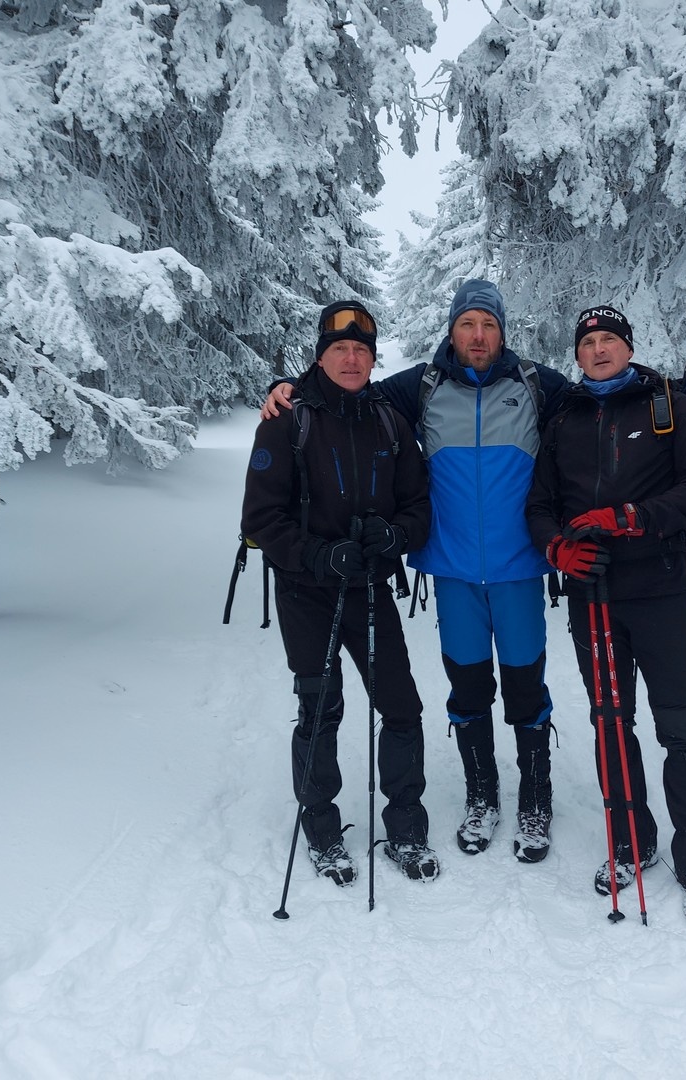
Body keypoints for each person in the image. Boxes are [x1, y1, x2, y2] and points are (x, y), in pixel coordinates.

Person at [263, 281, 570, 862]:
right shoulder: (421, 387)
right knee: (469, 688)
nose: (478, 336)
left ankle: (536, 799)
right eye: (467, 324)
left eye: (489, 325)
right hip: (453, 571)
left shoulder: (536, 385)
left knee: (527, 689)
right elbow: (343, 392)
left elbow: (599, 404)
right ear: (451, 331)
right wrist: (286, 389)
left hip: (519, 570)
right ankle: (482, 795)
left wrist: (663, 394)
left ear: (502, 332)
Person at [525, 305, 686, 928]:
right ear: (577, 356)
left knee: (680, 727)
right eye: (588, 342)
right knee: (611, 723)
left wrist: (632, 517)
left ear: (629, 348)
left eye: (610, 339)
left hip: (660, 590)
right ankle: (630, 843)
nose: (599, 349)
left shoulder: (669, 406)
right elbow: (539, 505)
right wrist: (557, 548)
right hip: (593, 593)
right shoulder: (563, 418)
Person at [241, 301, 439, 883]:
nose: (351, 360)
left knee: (401, 708)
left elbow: (419, 506)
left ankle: (406, 826)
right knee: (320, 709)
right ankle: (322, 829)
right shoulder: (287, 420)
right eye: (339, 350)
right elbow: (261, 518)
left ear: (372, 360)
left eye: (361, 351)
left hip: (370, 590)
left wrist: (395, 536)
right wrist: (317, 555)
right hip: (307, 592)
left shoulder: (389, 421)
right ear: (320, 357)